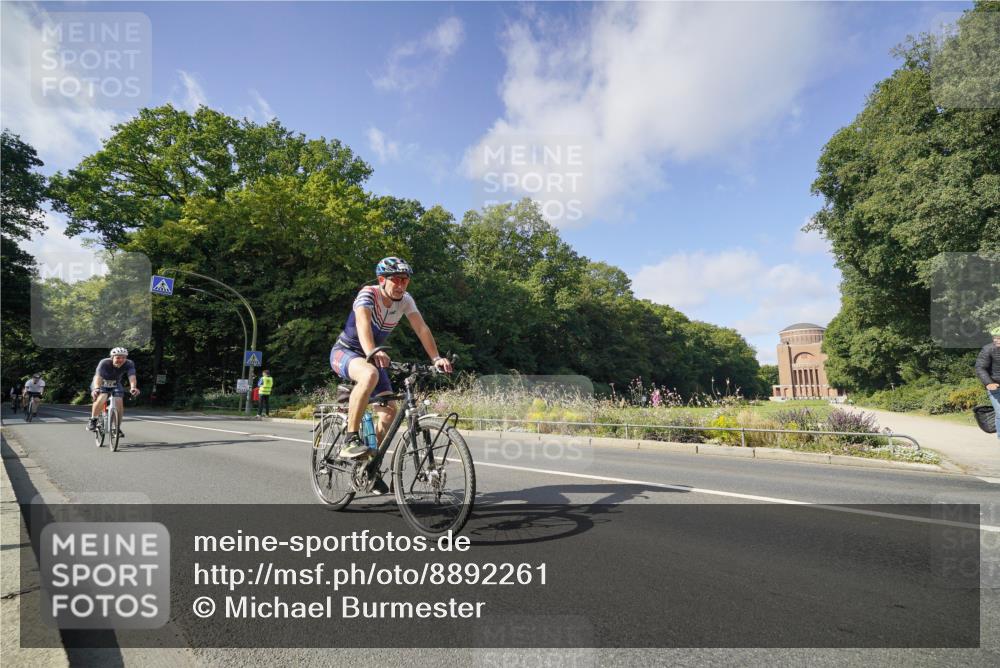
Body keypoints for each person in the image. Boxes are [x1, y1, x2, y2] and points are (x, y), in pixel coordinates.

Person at [329, 257, 452, 472]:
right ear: (381, 279)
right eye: (396, 280)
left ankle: (369, 466)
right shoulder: (368, 294)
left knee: (389, 413)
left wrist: (436, 358)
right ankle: (350, 439)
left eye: (405, 281)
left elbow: (421, 328)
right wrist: (372, 351)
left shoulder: (406, 300)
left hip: (374, 355)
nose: (401, 285)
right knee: (369, 374)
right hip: (346, 351)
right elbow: (363, 323)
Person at [88, 347, 140, 435]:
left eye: (123, 357)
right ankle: (93, 420)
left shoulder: (129, 363)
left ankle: (116, 427)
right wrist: (97, 388)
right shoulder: (104, 362)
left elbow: (132, 376)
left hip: (115, 383)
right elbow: (98, 377)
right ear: (112, 357)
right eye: (118, 357)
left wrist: (133, 387)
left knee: (119, 401)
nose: (121, 360)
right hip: (101, 382)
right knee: (103, 396)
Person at [976, 325, 1000, 439]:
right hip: (996, 387)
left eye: (999, 338)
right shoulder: (988, 349)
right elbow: (980, 367)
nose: (996, 340)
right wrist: (988, 383)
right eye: (995, 337)